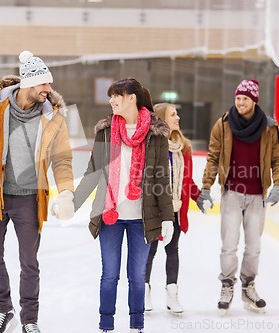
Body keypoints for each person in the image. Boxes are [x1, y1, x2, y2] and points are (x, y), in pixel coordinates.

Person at [0, 50, 75, 333]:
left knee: (29, 262)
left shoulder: (52, 117)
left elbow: (62, 159)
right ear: (28, 84)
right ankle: (3, 309)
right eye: (44, 84)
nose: (49, 89)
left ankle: (30, 319)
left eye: (49, 84)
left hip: (29, 199)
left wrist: (67, 192)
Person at [71, 78, 175, 333]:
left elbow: (162, 176)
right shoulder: (106, 131)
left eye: (116, 95)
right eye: (111, 96)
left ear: (132, 98)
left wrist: (167, 217)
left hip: (143, 216)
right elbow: (93, 172)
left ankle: (136, 326)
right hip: (110, 216)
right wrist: (72, 203)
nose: (111, 100)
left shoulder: (155, 133)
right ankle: (106, 325)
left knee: (137, 277)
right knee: (109, 275)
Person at [199, 79, 279, 313]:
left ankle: (248, 287)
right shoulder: (223, 124)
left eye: (245, 99)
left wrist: (278, 185)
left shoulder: (269, 127)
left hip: (257, 195)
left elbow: (278, 159)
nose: (240, 102)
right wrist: (206, 187)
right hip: (232, 194)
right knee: (229, 245)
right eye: (238, 98)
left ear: (254, 101)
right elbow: (213, 157)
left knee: (254, 246)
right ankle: (227, 286)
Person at [144, 103, 206, 314]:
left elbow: (188, 181)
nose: (178, 118)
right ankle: (143, 290)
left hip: (177, 209)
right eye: (173, 114)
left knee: (172, 250)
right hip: (155, 210)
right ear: (162, 119)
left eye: (177, 113)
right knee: (149, 251)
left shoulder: (184, 148)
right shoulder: (151, 146)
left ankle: (172, 293)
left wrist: (199, 198)